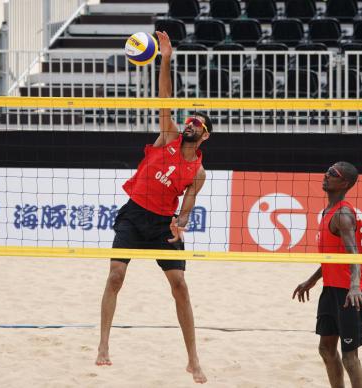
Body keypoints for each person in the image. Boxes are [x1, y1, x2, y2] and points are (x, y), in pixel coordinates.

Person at [95, 31, 210, 384]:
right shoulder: (168, 136)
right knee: (116, 277)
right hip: (134, 214)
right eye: (190, 120)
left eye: (198, 125)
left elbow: (187, 207)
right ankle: (103, 346)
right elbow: (164, 97)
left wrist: (181, 223)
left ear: (205, 136)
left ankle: (193, 360)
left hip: (162, 225)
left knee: (180, 287)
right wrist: (165, 58)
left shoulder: (198, 172)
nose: (191, 124)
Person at [293, 161, 362, 388]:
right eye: (327, 170)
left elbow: (353, 254)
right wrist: (313, 280)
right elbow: (333, 256)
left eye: (332, 174)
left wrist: (355, 286)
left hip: (349, 294)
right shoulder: (328, 211)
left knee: (350, 358)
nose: (326, 175)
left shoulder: (343, 214)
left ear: (344, 183)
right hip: (331, 289)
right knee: (326, 349)